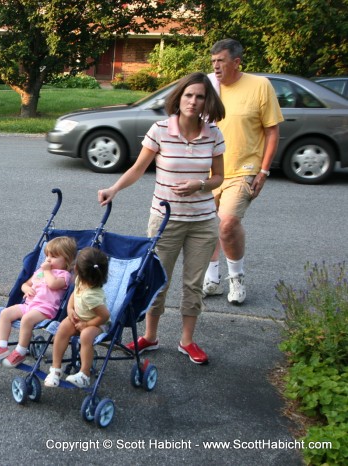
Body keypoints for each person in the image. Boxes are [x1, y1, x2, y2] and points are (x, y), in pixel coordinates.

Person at [98, 72, 226, 364]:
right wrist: (114, 188)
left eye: (200, 97)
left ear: (207, 102)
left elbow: (219, 177)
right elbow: (138, 169)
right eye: (189, 95)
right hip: (165, 220)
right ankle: (151, 337)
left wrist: (201, 184)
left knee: (193, 284)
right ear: (179, 98)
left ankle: (187, 341)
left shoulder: (213, 134)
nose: (194, 101)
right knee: (157, 281)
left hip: (203, 221)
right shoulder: (159, 130)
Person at [203, 39, 284, 305]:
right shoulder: (209, 88)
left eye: (221, 61)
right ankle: (212, 278)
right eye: (213, 61)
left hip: (243, 169)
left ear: (236, 62)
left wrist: (263, 171)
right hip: (207, 170)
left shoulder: (260, 86)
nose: (216, 66)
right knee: (206, 226)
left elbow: (272, 130)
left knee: (227, 222)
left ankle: (236, 279)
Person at [0, 236, 77, 368]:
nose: (49, 259)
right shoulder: (40, 272)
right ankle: (1, 346)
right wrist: (27, 288)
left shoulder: (64, 275)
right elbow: (25, 284)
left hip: (45, 309)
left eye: (54, 256)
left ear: (67, 260)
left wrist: (46, 270)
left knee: (27, 319)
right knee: (5, 313)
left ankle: (21, 351)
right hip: (28, 305)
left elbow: (52, 284)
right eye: (47, 256)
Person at [44, 247, 109, 388]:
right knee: (62, 328)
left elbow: (104, 316)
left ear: (77, 269)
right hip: (78, 317)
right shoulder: (80, 280)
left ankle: (84, 374)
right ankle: (55, 369)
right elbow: (74, 293)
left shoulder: (92, 296)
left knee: (85, 336)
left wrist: (87, 324)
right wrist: (70, 308)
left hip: (96, 324)